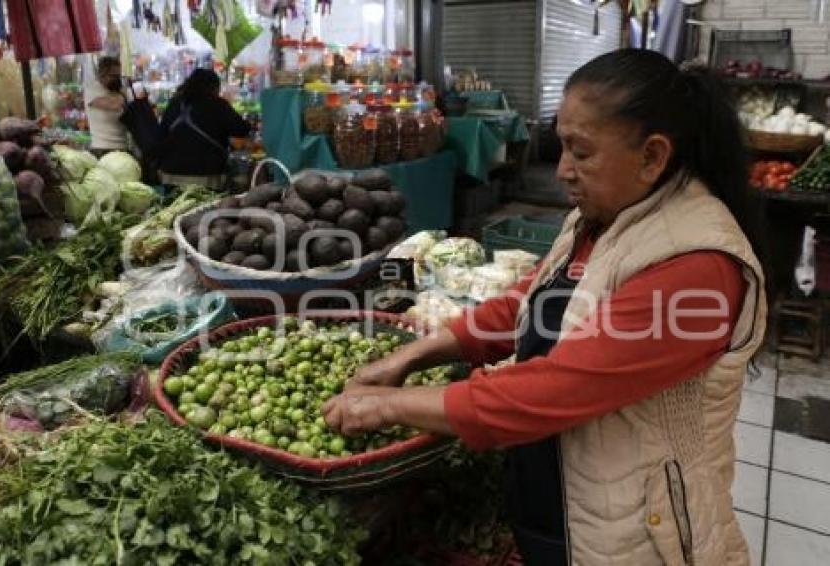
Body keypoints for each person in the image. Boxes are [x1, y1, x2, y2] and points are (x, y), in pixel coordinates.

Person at [323, 49, 768, 566]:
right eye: (561, 148)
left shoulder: (698, 269)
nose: (562, 171)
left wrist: (385, 406)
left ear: (652, 156)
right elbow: (524, 306)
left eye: (581, 152)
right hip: (568, 503)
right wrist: (412, 357)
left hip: (637, 535)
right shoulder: (604, 218)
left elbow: (556, 388)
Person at [158, 68, 251, 190]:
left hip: (171, 174)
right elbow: (242, 129)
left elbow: (162, 134)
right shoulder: (218, 105)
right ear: (214, 88)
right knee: (208, 208)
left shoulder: (174, 104)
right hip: (207, 175)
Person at [85, 56, 128, 157]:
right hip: (101, 149)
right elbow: (114, 104)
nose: (117, 80)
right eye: (113, 76)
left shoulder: (121, 91)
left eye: (119, 76)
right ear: (102, 75)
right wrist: (123, 96)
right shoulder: (92, 89)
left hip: (122, 148)